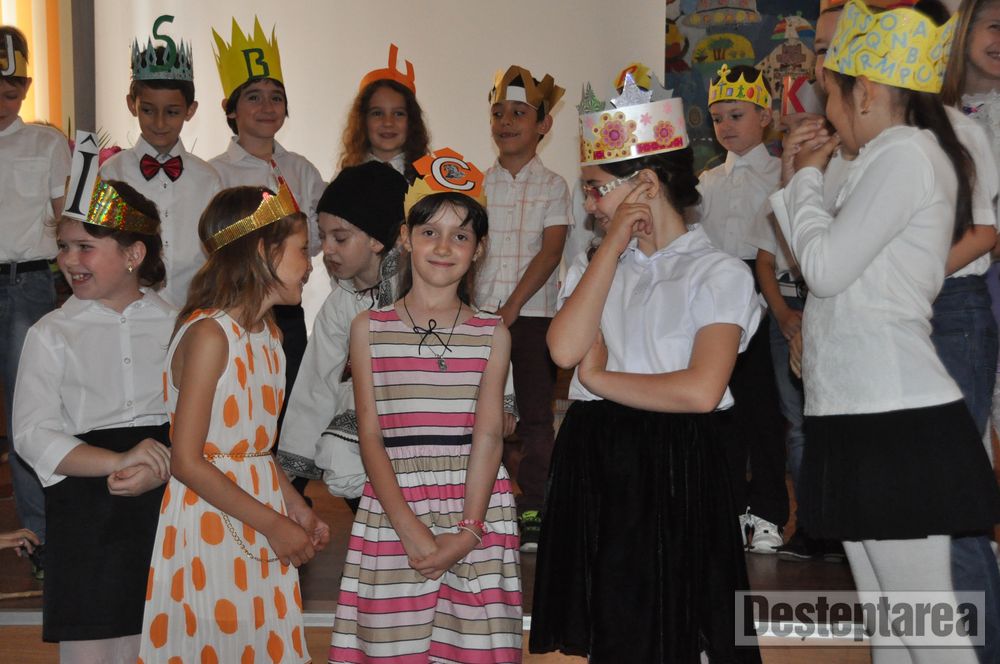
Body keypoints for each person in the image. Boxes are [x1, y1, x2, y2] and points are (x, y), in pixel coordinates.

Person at [772, 2, 1000, 660]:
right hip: (857, 408)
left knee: (925, 628)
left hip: (893, 415)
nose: (827, 110)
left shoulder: (905, 153)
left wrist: (806, 182)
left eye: (831, 93)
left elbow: (826, 268)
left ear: (865, 91)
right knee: (890, 621)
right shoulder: (882, 154)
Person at [530, 70, 762, 664]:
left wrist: (600, 380)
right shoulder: (597, 265)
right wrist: (611, 246)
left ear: (647, 185)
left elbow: (701, 390)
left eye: (595, 189)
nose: (588, 204)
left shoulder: (718, 272)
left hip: (676, 456)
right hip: (596, 451)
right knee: (613, 622)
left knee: (678, 623)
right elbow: (564, 350)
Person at [329, 150, 522, 663]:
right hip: (395, 508)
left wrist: (469, 531)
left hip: (475, 508)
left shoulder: (492, 333)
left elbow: (489, 436)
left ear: (479, 249)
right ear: (405, 237)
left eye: (461, 236)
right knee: (392, 644)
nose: (443, 246)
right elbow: (371, 435)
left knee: (473, 647)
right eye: (430, 231)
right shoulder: (369, 329)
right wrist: (409, 528)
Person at [139, 184, 329, 662]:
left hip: (260, 512)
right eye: (302, 249)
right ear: (264, 252)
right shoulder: (210, 335)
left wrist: (294, 507)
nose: (310, 264)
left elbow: (254, 448)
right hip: (210, 519)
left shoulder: (269, 335)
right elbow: (186, 461)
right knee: (216, 642)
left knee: (259, 642)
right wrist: (274, 524)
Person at [13, 177, 173, 663]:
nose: (68, 259)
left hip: (166, 499)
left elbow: (196, 417)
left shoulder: (179, 324)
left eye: (85, 246)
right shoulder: (51, 333)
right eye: (63, 246)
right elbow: (32, 432)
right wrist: (117, 460)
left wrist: (163, 463)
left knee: (161, 634)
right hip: (86, 505)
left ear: (133, 254)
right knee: (93, 643)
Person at [208, 17, 324, 493]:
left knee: (290, 404)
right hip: (237, 306)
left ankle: (289, 497)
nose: (266, 106)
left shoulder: (301, 169)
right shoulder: (214, 173)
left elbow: (319, 234)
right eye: (253, 97)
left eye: (276, 97)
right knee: (245, 401)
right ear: (230, 109)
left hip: (287, 311)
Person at [693, 63, 787, 554]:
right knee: (721, 406)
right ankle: (728, 507)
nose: (725, 126)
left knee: (765, 410)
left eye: (736, 115)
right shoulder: (707, 182)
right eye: (717, 118)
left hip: (767, 290)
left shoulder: (782, 175)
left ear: (764, 116)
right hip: (717, 295)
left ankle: (768, 512)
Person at [277, 161, 408, 510]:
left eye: (340, 237)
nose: (327, 249)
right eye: (322, 237)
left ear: (377, 239)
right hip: (364, 446)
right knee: (342, 455)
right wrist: (288, 473)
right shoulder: (339, 305)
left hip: (421, 437)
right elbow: (316, 385)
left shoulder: (419, 292)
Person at [478, 65, 571, 551]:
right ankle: (482, 503)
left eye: (519, 113)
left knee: (534, 415)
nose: (507, 122)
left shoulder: (554, 185)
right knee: (481, 412)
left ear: (543, 125)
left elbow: (551, 251)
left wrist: (512, 307)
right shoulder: (477, 184)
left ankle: (534, 504)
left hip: (532, 317)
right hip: (479, 316)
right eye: (499, 113)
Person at [0, 25, 72, 578]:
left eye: (12, 88)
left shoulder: (47, 144)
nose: (3, 99)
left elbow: (65, 217)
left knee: (29, 412)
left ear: (25, 87)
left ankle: (42, 535)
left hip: (27, 285)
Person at [100, 15, 222, 308]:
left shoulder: (208, 178)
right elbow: (102, 244)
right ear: (131, 105)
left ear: (190, 110)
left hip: (192, 308)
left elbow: (218, 251)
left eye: (172, 112)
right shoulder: (111, 172)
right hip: (129, 310)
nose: (159, 122)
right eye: (148, 110)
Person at [338, 43, 430, 182]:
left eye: (398, 113)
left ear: (411, 121)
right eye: (377, 113)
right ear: (363, 121)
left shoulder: (430, 178)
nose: (388, 122)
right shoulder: (345, 180)